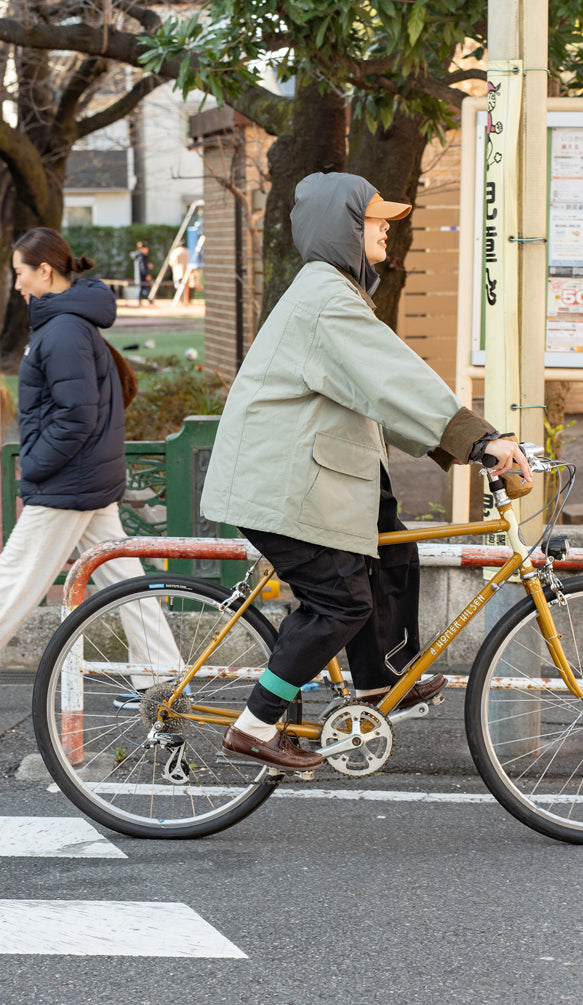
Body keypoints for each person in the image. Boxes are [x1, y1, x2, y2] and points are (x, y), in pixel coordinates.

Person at [200, 171, 531, 771]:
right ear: (344, 228)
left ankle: (378, 682)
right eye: (375, 219)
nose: (386, 230)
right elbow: (393, 378)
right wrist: (478, 440)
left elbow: (376, 396)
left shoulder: (334, 295)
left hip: (312, 477)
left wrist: (466, 447)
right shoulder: (326, 299)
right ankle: (253, 726)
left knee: (392, 553)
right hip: (282, 485)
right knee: (339, 604)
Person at [0, 227, 183, 709]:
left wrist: (33, 465)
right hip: (86, 477)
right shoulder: (70, 324)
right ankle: (161, 678)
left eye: (20, 273)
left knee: (18, 575)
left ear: (45, 271)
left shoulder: (61, 330)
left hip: (66, 481)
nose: (16, 284)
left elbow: (76, 414)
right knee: (120, 580)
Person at [131, 240, 153, 304]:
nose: (147, 250)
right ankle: (147, 300)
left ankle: (140, 301)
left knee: (140, 288)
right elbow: (143, 267)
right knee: (144, 288)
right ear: (143, 248)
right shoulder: (142, 256)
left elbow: (142, 265)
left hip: (138, 275)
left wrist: (147, 265)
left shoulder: (137, 255)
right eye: (146, 249)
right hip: (142, 275)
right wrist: (147, 275)